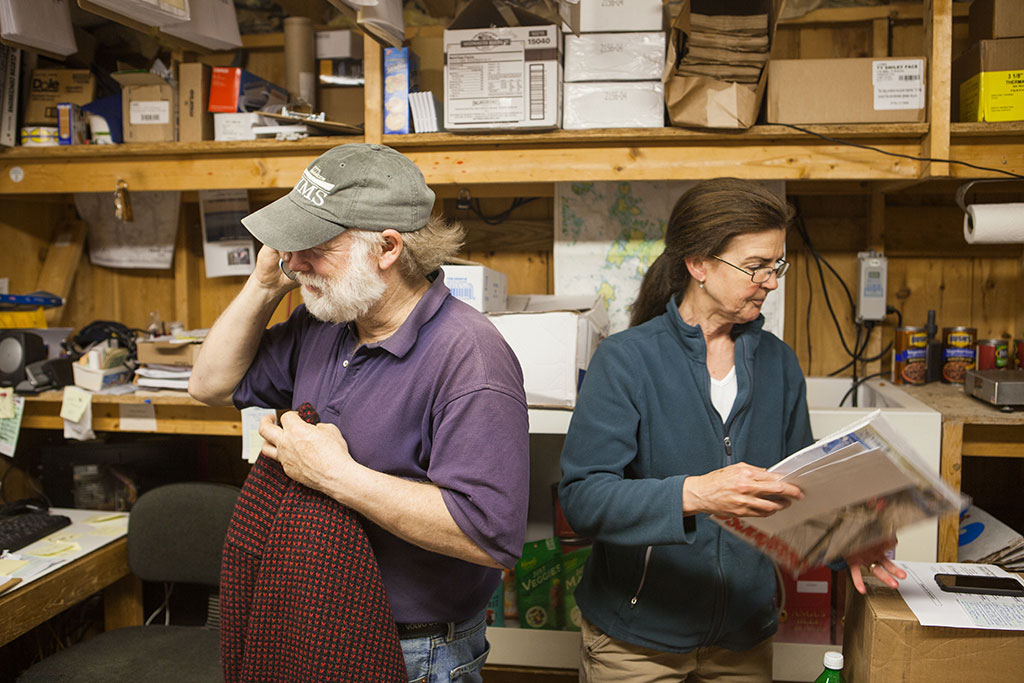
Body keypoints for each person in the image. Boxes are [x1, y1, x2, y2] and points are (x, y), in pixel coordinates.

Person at [189, 143, 530, 682]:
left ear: (387, 248)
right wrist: (262, 285)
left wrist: (335, 476)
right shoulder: (327, 321)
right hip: (313, 624)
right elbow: (208, 384)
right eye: (288, 246)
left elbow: (488, 537)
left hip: (415, 653)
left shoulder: (470, 357)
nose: (293, 262)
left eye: (313, 246)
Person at [558, 178, 904, 682]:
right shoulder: (626, 360)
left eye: (777, 265)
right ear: (698, 264)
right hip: (637, 644)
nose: (772, 281)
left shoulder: (778, 364)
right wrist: (695, 494)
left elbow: (795, 496)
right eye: (756, 267)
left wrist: (847, 540)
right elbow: (583, 500)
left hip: (744, 639)